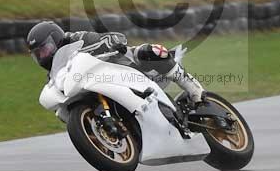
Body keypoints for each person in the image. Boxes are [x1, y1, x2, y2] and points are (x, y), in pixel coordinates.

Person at [26, 20, 205, 107]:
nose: (43, 56)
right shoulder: (55, 75)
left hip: (122, 64)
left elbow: (113, 37)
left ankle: (194, 89)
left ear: (55, 39)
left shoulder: (77, 38)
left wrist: (111, 43)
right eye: (38, 55)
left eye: (44, 49)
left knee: (152, 51)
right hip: (98, 86)